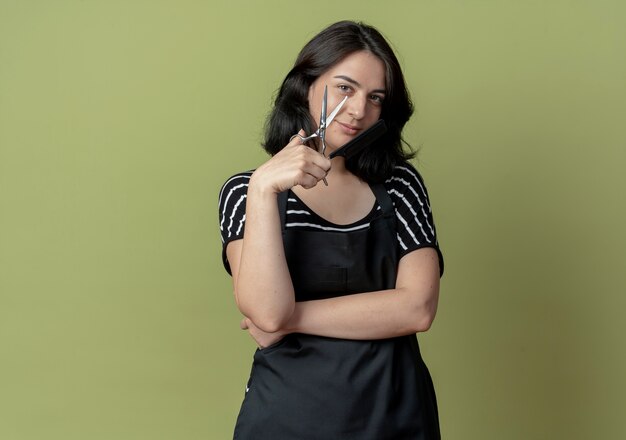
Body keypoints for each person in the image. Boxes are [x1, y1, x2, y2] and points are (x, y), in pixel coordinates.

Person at [218, 20, 444, 440]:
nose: (359, 110)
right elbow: (265, 309)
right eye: (345, 88)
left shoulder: (400, 186)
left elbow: (417, 308)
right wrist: (264, 186)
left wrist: (291, 319)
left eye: (375, 98)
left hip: (395, 416)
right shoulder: (246, 192)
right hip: (286, 418)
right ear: (306, 86)